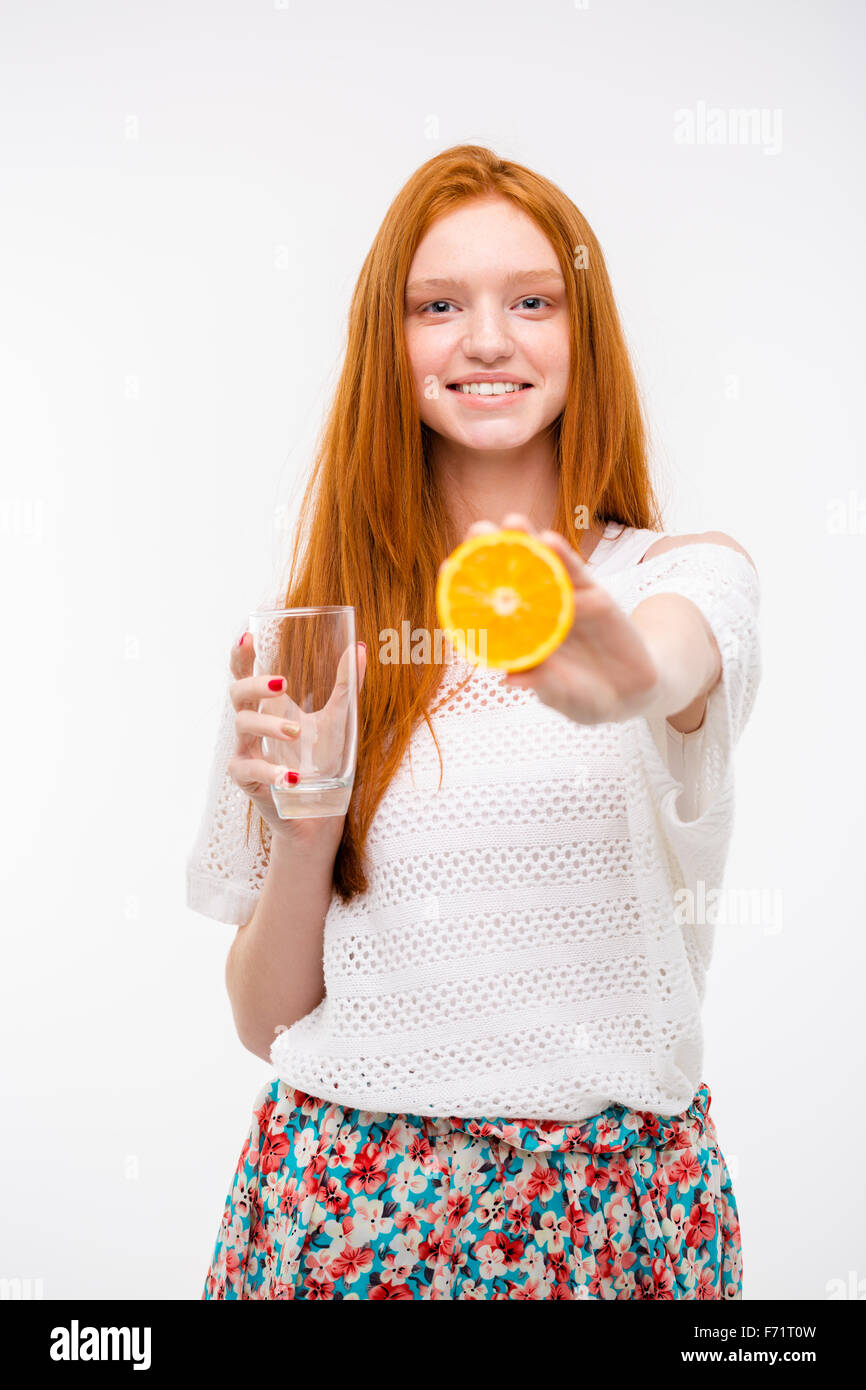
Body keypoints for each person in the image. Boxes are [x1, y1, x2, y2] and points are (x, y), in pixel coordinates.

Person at [187, 144, 761, 1300]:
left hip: (607, 1213)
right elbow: (266, 1021)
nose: (486, 340)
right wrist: (308, 825)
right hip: (343, 1208)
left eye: (531, 301)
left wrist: (620, 680)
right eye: (437, 305)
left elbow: (678, 655)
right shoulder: (309, 633)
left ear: (579, 333)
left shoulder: (675, 579)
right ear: (386, 349)